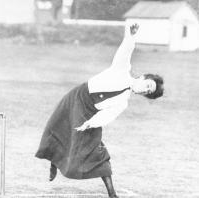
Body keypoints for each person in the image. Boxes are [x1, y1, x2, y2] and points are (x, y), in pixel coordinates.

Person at [35, 24, 164, 198]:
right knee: (58, 127)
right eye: (148, 85)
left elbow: (106, 115)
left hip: (91, 113)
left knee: (95, 148)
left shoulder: (123, 102)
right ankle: (54, 163)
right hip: (78, 96)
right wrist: (131, 36)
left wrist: (90, 123)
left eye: (148, 92)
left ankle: (112, 194)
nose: (145, 89)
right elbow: (125, 52)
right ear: (143, 77)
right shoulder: (122, 69)